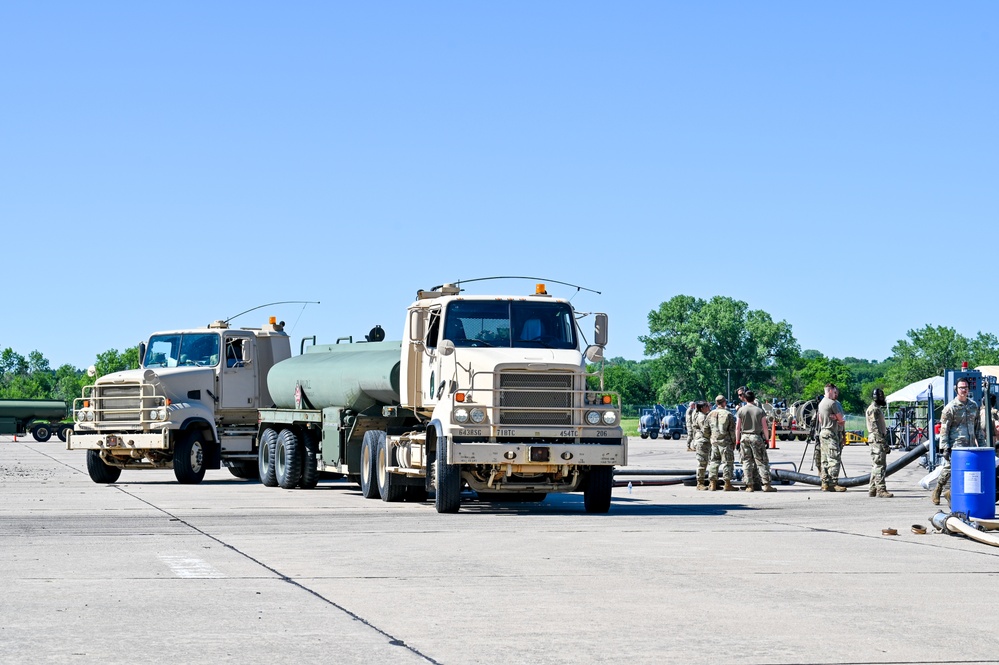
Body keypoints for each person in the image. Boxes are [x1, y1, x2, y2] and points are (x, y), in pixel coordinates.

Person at [935, 377, 981, 505]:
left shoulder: (973, 406)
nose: (963, 390)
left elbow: (977, 428)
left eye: (965, 387)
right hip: (956, 445)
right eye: (961, 387)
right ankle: (939, 489)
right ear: (956, 389)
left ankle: (951, 494)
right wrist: (945, 447)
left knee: (967, 471)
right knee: (950, 469)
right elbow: (944, 429)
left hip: (970, 444)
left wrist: (982, 446)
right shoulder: (950, 408)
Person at [738, 391, 775, 492]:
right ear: (754, 398)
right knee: (761, 462)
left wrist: (737, 441)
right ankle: (766, 484)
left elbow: (738, 428)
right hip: (756, 437)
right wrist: (767, 439)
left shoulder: (741, 410)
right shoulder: (759, 411)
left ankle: (749, 485)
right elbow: (765, 427)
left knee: (746, 462)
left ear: (745, 398)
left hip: (744, 437)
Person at [817, 383, 847, 492]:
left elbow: (820, 419)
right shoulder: (832, 403)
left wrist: (831, 417)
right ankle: (833, 483)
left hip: (823, 431)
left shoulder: (821, 404)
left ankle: (824, 482)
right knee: (834, 458)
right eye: (834, 392)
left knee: (824, 459)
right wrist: (836, 418)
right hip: (831, 433)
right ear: (830, 391)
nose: (835, 394)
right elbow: (841, 420)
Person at [704, 395, 738, 491]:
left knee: (714, 461)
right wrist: (734, 441)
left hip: (714, 441)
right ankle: (727, 484)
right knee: (727, 462)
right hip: (725, 442)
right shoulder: (728, 414)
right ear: (724, 402)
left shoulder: (710, 414)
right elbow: (732, 430)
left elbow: (705, 429)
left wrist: (710, 437)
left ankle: (713, 483)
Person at [866, 388, 893, 498]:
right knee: (880, 465)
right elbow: (875, 427)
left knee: (876, 465)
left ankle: (872, 488)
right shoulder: (874, 410)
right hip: (877, 438)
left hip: (876, 438)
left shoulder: (876, 408)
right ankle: (881, 489)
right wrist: (883, 442)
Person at [690, 402, 712, 490]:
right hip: (702, 441)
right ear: (702, 408)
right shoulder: (701, 417)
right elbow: (705, 430)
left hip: (704, 441)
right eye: (706, 406)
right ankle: (700, 483)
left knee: (706, 462)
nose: (708, 407)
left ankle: (707, 482)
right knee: (702, 462)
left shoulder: (702, 415)